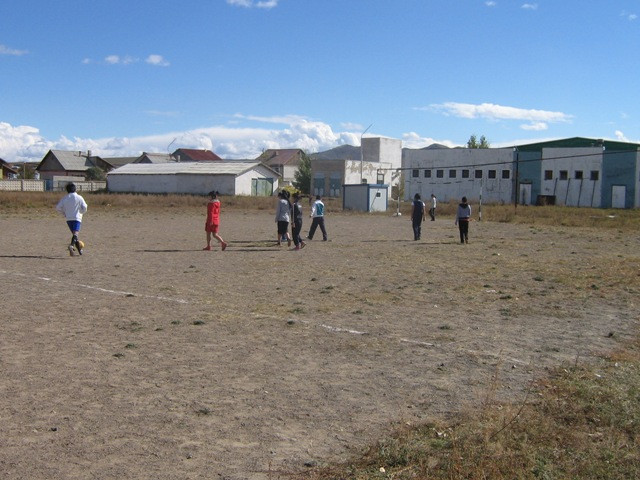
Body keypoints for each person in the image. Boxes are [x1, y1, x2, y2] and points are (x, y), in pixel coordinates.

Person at [56, 182, 88, 256]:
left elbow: (58, 207)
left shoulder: (65, 198)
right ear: (75, 189)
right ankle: (71, 246)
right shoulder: (79, 197)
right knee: (76, 233)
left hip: (68, 219)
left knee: (74, 235)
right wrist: (82, 212)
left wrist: (64, 213)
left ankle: (80, 250)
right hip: (77, 218)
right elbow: (85, 207)